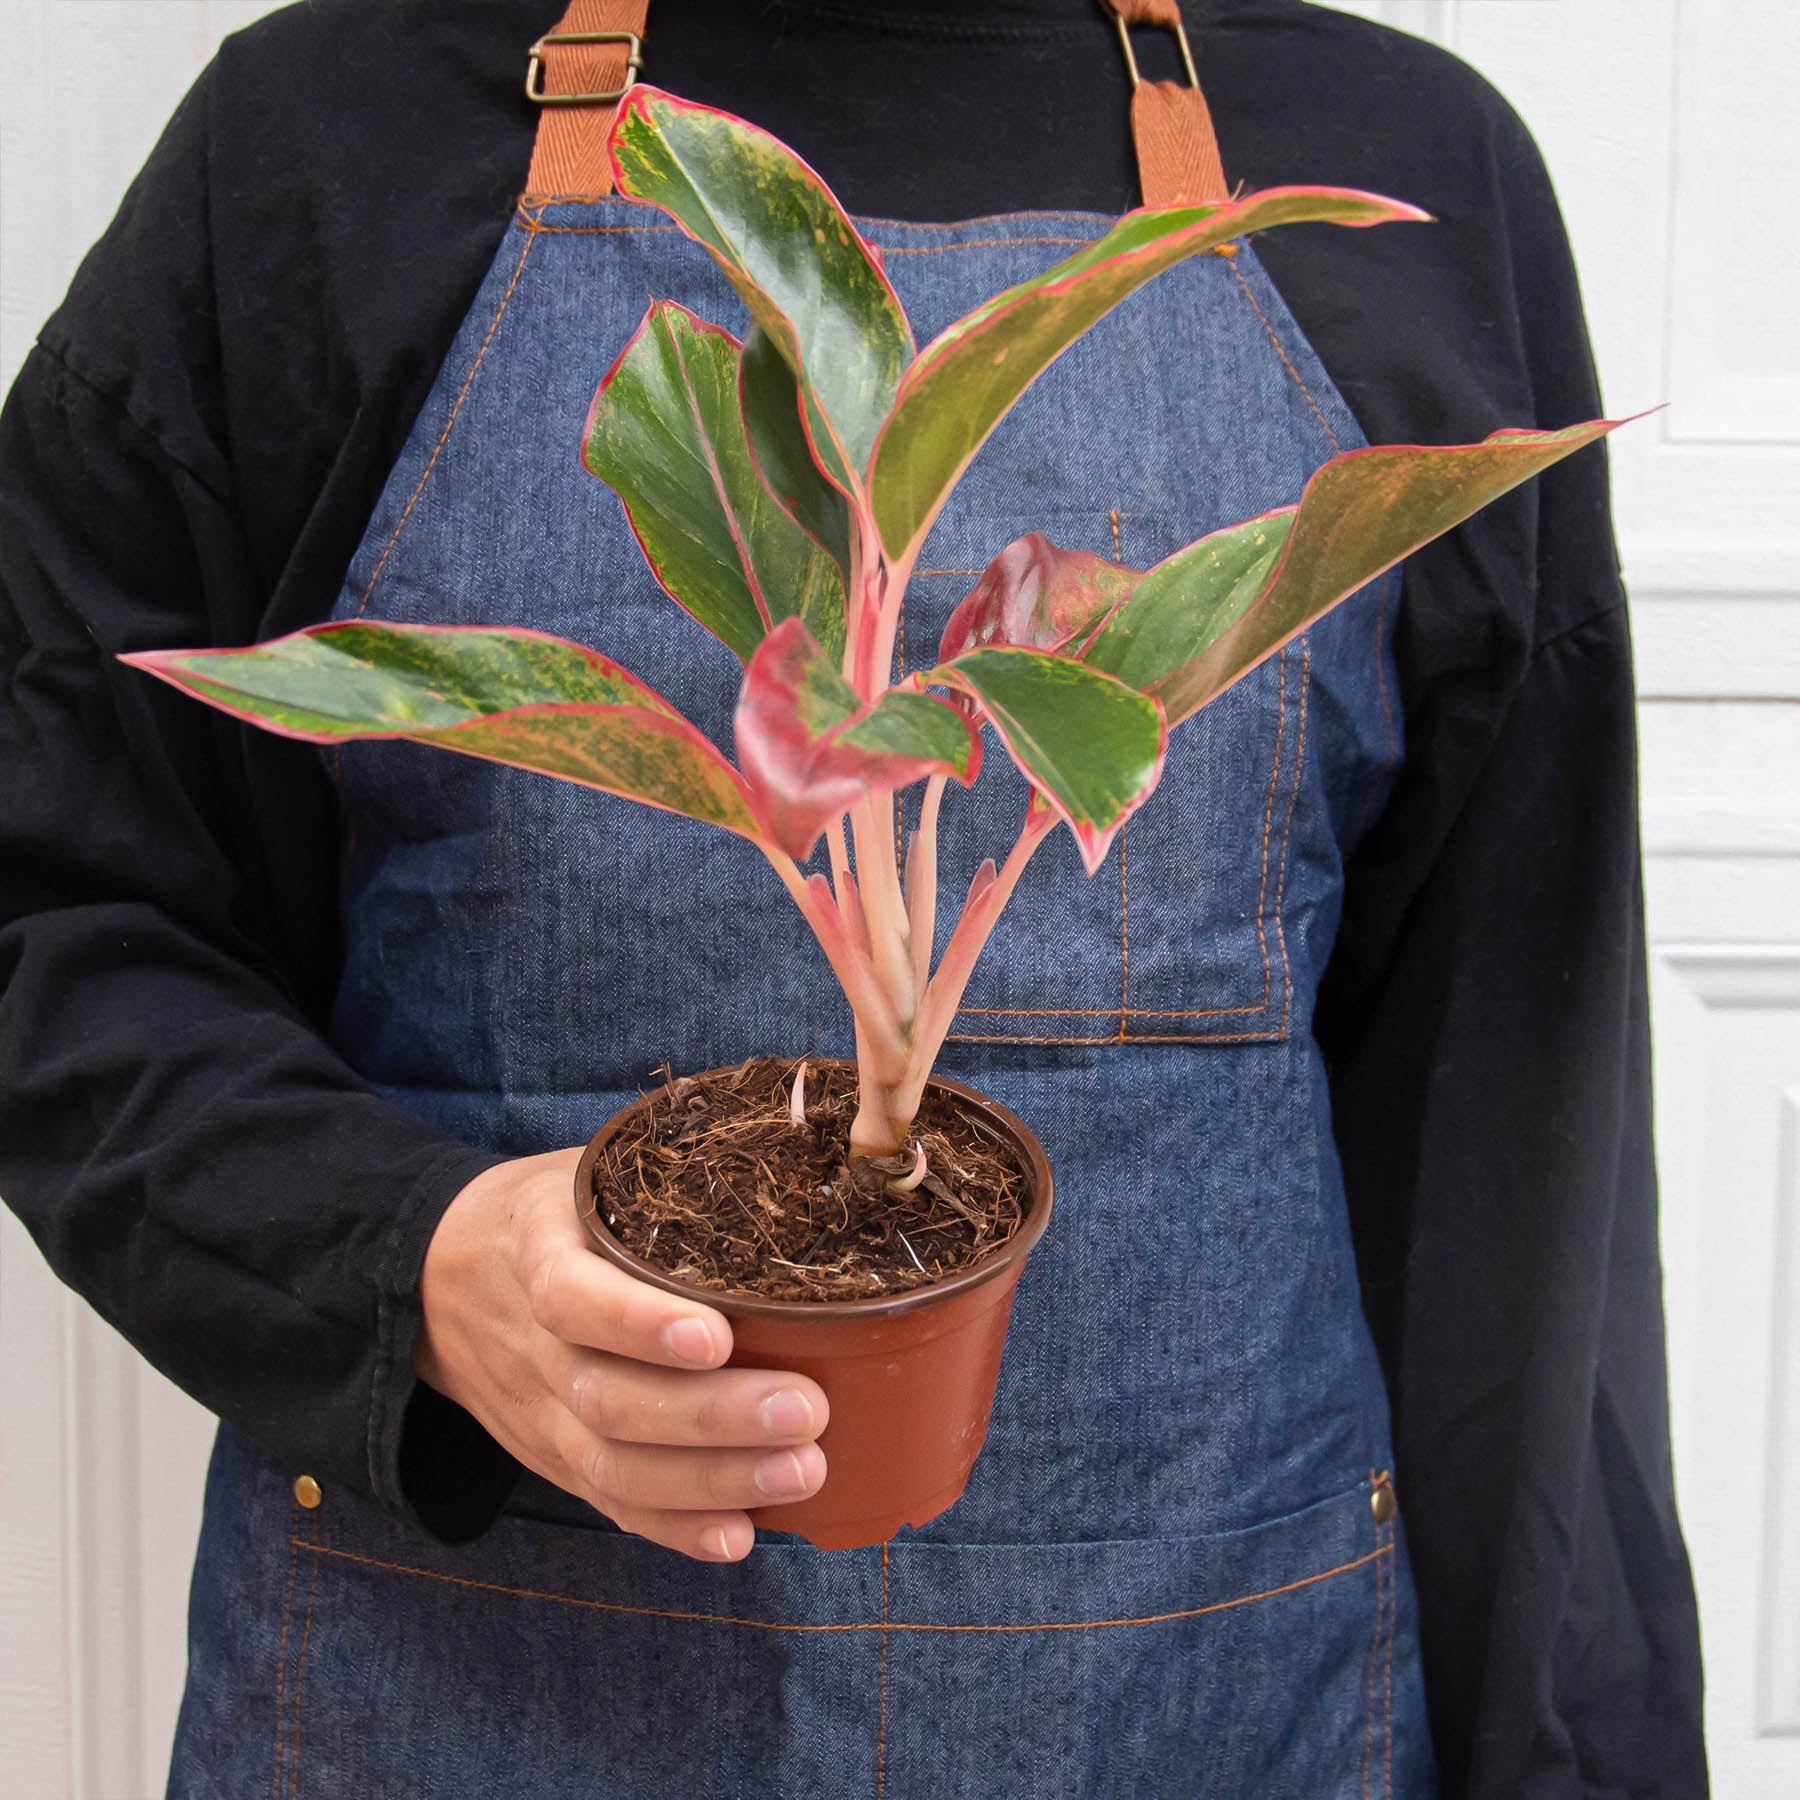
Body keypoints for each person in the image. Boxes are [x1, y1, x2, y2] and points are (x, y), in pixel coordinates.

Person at [0, 1, 1706, 1794]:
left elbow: (1514, 1140)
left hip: (1201, 1707)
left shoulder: (1409, 160)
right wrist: (402, 1261)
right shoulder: (325, 137)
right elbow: (55, 898)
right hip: (472, 1703)